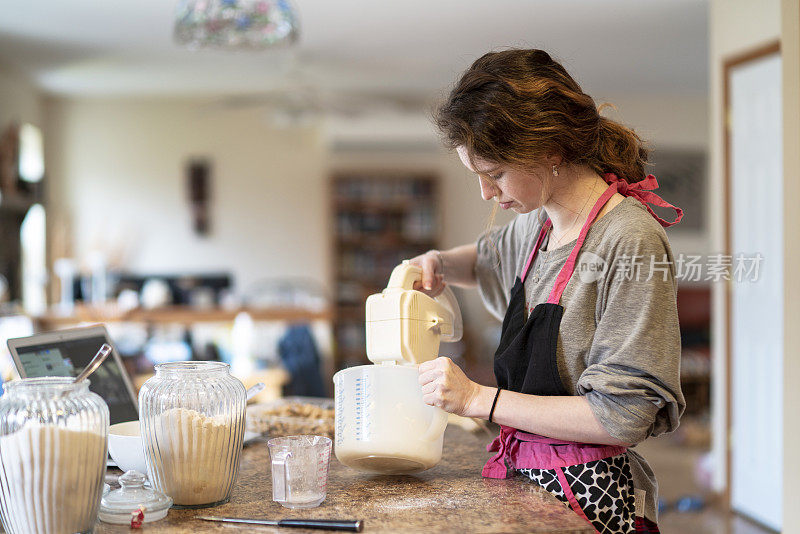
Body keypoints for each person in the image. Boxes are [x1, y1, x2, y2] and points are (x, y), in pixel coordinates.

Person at [412, 49, 685, 534]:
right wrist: (435, 264)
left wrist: (479, 399)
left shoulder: (627, 239)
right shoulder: (538, 225)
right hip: (527, 485)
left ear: (549, 150)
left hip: (593, 501)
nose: (485, 194)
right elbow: (485, 259)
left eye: (494, 174)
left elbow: (621, 415)